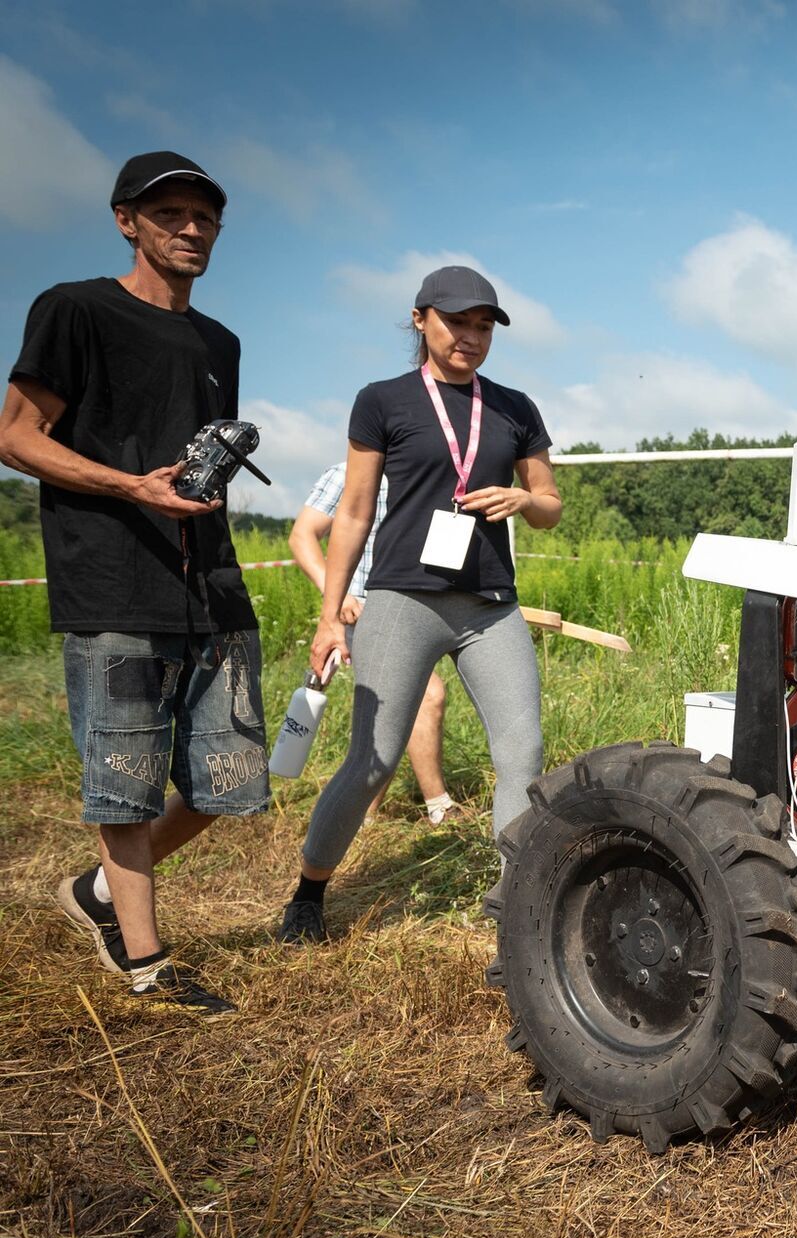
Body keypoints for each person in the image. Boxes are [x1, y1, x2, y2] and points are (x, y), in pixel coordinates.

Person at [0, 151, 264, 1014]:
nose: (190, 229)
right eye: (169, 215)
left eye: (204, 217)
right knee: (126, 777)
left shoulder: (219, 339)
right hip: (112, 575)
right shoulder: (74, 309)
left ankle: (99, 891)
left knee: (228, 779)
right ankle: (147, 963)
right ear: (127, 221)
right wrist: (130, 487)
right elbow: (17, 436)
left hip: (211, 578)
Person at [280, 265, 561, 944]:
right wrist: (330, 614)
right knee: (371, 760)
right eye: (456, 321)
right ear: (420, 319)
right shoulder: (382, 401)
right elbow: (351, 514)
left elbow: (550, 504)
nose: (470, 336)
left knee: (523, 752)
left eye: (483, 325)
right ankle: (308, 895)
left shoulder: (516, 407)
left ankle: (516, 912)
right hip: (402, 598)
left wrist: (525, 500)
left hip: (489, 605)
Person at [290, 459, 463, 825]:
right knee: (426, 697)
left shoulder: (431, 473)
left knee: (391, 708)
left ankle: (361, 813)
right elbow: (302, 535)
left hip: (413, 611)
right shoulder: (345, 472)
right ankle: (439, 806)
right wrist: (337, 598)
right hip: (361, 612)